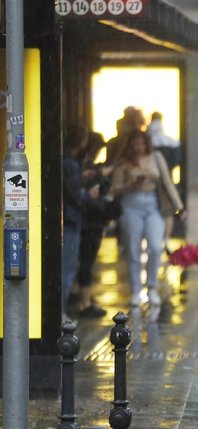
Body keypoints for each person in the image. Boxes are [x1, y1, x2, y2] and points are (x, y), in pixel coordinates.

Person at [110, 129, 184, 307]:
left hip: (153, 205)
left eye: (142, 144)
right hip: (131, 204)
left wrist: (179, 206)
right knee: (133, 250)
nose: (139, 148)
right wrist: (131, 185)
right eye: (135, 145)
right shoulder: (124, 162)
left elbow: (167, 182)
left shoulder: (156, 157)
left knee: (155, 247)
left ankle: (152, 287)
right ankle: (136, 290)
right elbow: (115, 189)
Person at [61, 125, 100, 322]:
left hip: (67, 218)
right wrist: (90, 194)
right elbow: (75, 195)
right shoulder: (70, 163)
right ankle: (60, 311)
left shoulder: (67, 162)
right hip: (71, 218)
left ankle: (61, 309)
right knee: (67, 265)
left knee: (67, 264)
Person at [74, 131, 113, 318]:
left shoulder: (81, 166)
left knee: (84, 261)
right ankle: (84, 302)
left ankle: (84, 298)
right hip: (90, 219)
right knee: (86, 261)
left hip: (89, 219)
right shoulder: (83, 167)